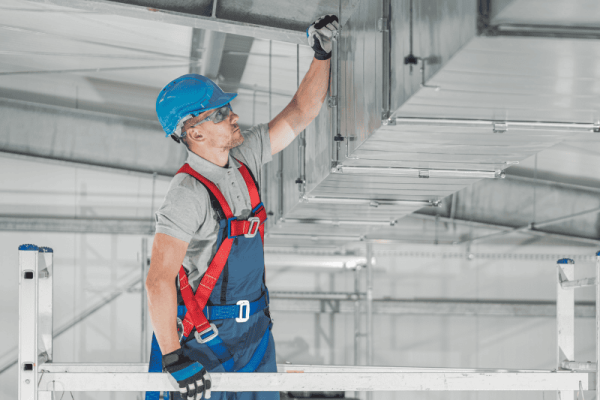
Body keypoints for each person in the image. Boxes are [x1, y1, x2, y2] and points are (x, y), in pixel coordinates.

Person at [146, 15, 340, 400]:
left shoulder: (244, 157)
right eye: (220, 113)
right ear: (194, 132)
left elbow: (302, 111)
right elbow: (158, 280)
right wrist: (173, 358)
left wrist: (322, 54)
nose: (233, 115)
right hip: (201, 342)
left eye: (227, 107)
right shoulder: (187, 192)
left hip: (254, 335)